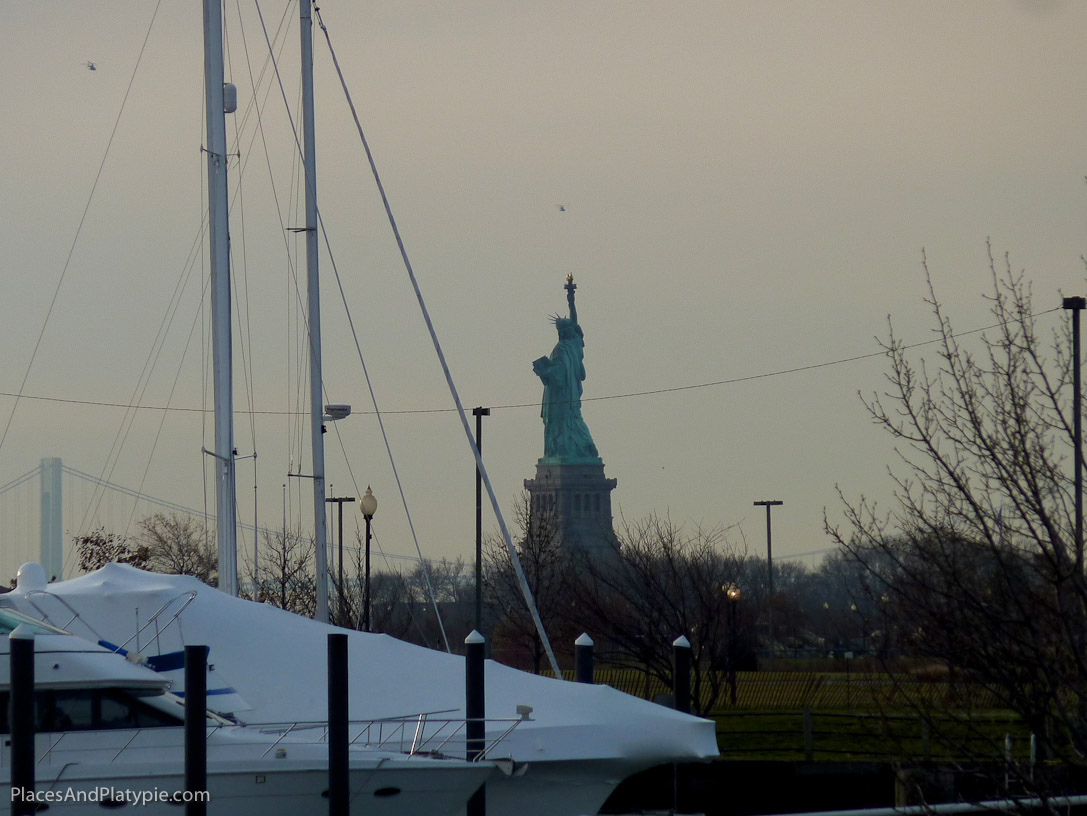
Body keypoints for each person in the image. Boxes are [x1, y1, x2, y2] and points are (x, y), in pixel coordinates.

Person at [532, 276, 600, 462]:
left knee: (566, 421)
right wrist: (571, 298)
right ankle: (572, 449)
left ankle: (570, 449)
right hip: (564, 394)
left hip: (563, 394)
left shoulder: (567, 347)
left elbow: (559, 373)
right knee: (569, 420)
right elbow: (560, 370)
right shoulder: (573, 345)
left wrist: (545, 372)